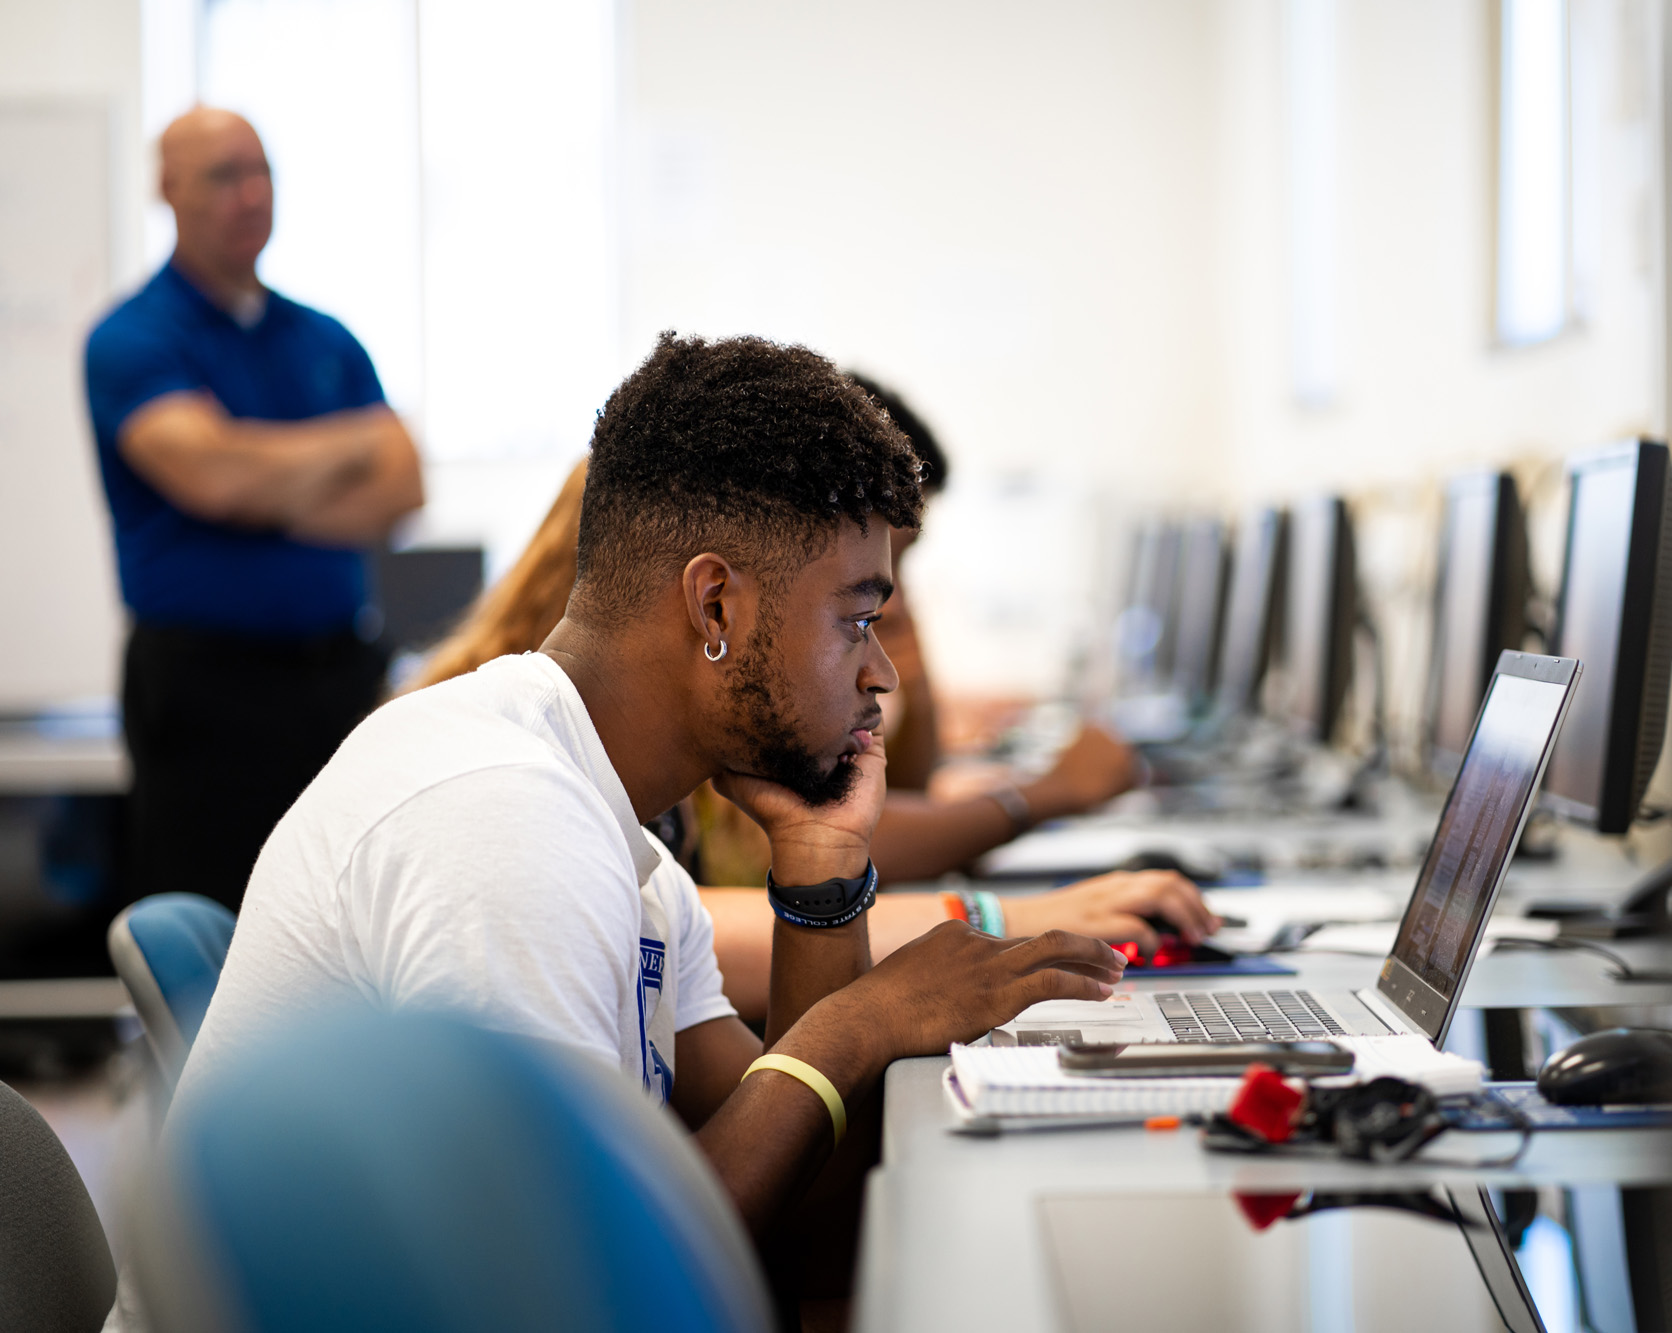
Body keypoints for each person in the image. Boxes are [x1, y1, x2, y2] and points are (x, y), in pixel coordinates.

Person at [174, 332, 1129, 1261]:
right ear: (715, 606)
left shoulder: (621, 843)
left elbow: (805, 1213)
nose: (879, 671)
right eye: (857, 619)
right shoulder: (504, 817)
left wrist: (825, 872)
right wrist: (864, 1020)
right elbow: (586, 1280)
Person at [406, 394, 1212, 1022]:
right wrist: (971, 931)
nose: (885, 656)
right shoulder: (517, 802)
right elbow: (715, 932)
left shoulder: (646, 814)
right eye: (860, 610)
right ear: (717, 601)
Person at [83, 108, 423, 910]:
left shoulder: (324, 337)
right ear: (167, 190)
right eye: (222, 176)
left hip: (338, 680)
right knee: (214, 935)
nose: (250, 195)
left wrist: (254, 481)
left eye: (261, 171)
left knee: (349, 919)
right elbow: (211, 478)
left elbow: (403, 484)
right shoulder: (131, 338)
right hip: (205, 694)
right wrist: (344, 448)